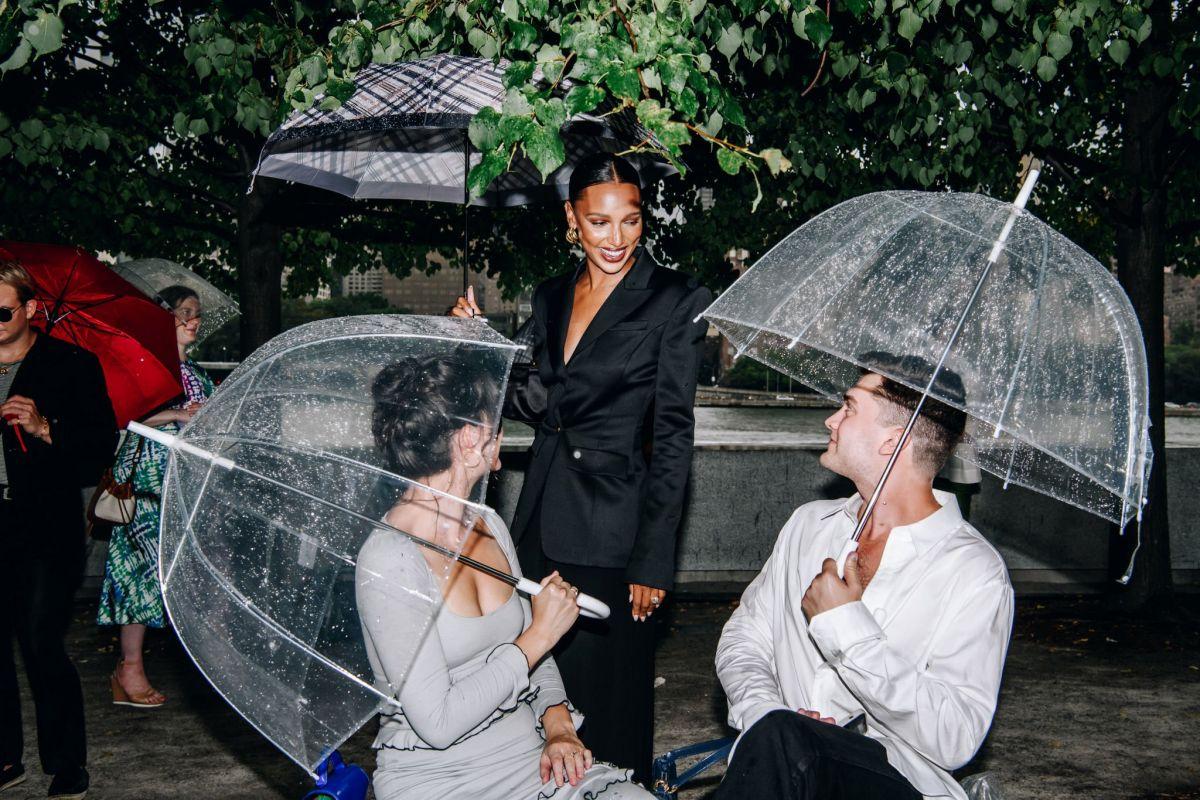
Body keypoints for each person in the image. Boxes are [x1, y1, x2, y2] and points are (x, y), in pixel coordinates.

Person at [451, 153, 711, 782]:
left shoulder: (676, 299)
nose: (616, 238)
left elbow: (673, 436)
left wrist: (655, 557)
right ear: (572, 219)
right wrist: (482, 345)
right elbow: (539, 404)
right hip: (541, 518)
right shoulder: (551, 295)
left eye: (630, 220)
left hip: (616, 534)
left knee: (608, 700)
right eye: (599, 222)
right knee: (542, 690)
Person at [713, 353, 1014, 800]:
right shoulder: (808, 525)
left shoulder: (973, 572)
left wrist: (846, 628)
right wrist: (769, 715)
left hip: (897, 784)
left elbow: (955, 736)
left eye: (849, 407)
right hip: (782, 767)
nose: (831, 421)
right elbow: (744, 638)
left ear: (893, 441)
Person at [356, 354, 655, 799]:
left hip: (526, 759)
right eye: (493, 420)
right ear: (470, 437)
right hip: (438, 780)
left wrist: (558, 727)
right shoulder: (389, 558)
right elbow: (438, 723)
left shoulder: (489, 524)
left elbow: (535, 655)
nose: (502, 431)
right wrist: (539, 634)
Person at [0, 260, 117, 799]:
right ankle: (5, 759)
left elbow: (100, 446)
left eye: (2, 312)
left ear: (29, 310)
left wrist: (45, 427)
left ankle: (67, 762)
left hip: (43, 526)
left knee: (42, 640)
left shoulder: (69, 364)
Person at [97, 285, 214, 708]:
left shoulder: (198, 374)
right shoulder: (142, 366)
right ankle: (128, 669)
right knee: (137, 577)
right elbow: (119, 409)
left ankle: (203, 668)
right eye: (185, 312)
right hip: (146, 486)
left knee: (188, 577)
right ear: (162, 316)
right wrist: (179, 413)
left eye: (196, 313)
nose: (193, 320)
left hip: (187, 488)